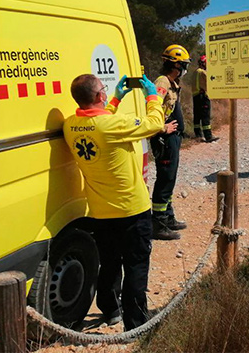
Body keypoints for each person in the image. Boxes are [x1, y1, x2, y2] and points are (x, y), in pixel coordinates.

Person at [63, 73, 171, 330]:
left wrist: (114, 100)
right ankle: (136, 325)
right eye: (103, 89)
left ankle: (110, 309)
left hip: (101, 211)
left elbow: (99, 121)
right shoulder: (114, 126)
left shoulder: (71, 125)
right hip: (132, 209)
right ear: (99, 95)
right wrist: (152, 96)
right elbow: (155, 123)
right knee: (135, 265)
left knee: (109, 262)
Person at [151, 44, 190, 240]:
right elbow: (152, 106)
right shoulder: (162, 82)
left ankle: (168, 217)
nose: (185, 69)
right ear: (175, 65)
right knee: (165, 179)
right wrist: (162, 128)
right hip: (164, 138)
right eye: (184, 65)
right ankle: (158, 223)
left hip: (172, 138)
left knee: (170, 178)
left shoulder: (172, 83)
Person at [191, 55, 219, 142]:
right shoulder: (203, 72)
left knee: (197, 116)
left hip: (195, 96)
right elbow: (210, 83)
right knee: (205, 116)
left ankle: (198, 134)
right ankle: (208, 136)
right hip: (203, 96)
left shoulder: (194, 72)